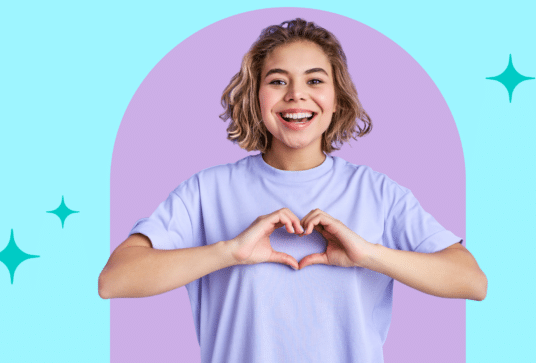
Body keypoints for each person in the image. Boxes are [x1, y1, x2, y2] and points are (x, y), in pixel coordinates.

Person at [99, 18, 487, 363]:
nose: (296, 94)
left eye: (314, 80)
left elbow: (472, 281)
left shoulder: (379, 193)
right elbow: (114, 279)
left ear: (336, 100)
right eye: (277, 81)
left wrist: (368, 254)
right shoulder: (206, 191)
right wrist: (230, 252)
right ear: (256, 97)